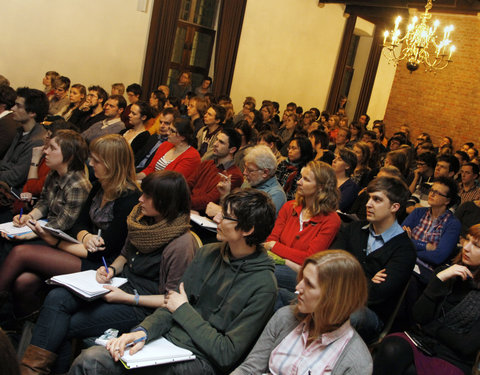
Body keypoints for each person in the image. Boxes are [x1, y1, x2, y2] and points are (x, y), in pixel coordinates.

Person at [69, 189, 277, 375]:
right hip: (168, 341)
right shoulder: (208, 253)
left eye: (226, 216)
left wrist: (183, 310)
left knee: (96, 363)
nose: (218, 219)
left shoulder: (263, 285)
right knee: (91, 359)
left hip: (201, 361)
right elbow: (171, 305)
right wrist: (143, 332)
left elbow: (225, 353)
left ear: (247, 229)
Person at [20, 170, 196, 375]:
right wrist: (111, 269)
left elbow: (172, 300)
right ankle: (32, 369)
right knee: (57, 296)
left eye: (147, 196)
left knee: (64, 325)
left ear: (166, 202)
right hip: (120, 285)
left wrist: (129, 298)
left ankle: (34, 370)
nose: (140, 199)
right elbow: (123, 256)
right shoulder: (142, 221)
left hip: (143, 305)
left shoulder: (181, 243)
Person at [0, 135, 140, 318]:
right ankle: (21, 329)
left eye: (96, 161)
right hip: (80, 247)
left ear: (111, 164)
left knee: (20, 253)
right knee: (24, 282)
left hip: (102, 266)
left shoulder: (129, 199)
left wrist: (54, 242)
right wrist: (86, 237)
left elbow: (102, 251)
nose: (90, 163)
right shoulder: (99, 186)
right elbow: (78, 224)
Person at [232, 250, 372, 375]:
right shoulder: (284, 317)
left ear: (335, 297)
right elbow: (249, 369)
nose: (298, 287)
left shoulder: (357, 362)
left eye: (309, 284)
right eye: (302, 279)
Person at [373, 224, 480, 375]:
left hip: (452, 358)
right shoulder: (447, 273)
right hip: (421, 341)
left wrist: (432, 327)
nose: (466, 248)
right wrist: (438, 280)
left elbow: (467, 346)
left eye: (476, 245)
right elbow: (419, 316)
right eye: (467, 240)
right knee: (391, 348)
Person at [333, 176, 416, 344]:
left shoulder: (404, 250)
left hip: (370, 314)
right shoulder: (354, 228)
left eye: (377, 199)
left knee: (346, 314)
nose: (368, 204)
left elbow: (377, 295)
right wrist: (368, 280)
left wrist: (346, 273)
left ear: (394, 207)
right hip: (335, 294)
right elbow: (330, 265)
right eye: (369, 197)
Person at [264, 160, 341, 300]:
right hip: (279, 264)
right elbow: (270, 240)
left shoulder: (331, 220)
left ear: (321, 187)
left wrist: (279, 253)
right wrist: (281, 253)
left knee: (264, 271)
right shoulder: (289, 207)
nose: (299, 182)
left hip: (301, 275)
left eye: (305, 179)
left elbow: (309, 258)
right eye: (300, 177)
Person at [3, 129, 91, 240]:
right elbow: (44, 202)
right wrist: (29, 217)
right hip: (47, 226)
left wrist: (30, 234)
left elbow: (63, 224)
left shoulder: (78, 186)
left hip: (63, 235)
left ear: (69, 156)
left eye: (53, 148)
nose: (46, 151)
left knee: (15, 246)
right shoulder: (54, 172)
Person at [402, 177, 461, 282]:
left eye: (437, 193)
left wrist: (409, 247)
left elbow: (438, 256)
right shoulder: (418, 212)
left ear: (447, 200)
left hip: (426, 272)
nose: (432, 194)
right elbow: (398, 239)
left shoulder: (453, 224)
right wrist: (425, 246)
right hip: (403, 261)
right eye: (432, 190)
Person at [0, 87, 48, 190]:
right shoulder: (21, 131)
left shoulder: (37, 141)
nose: (13, 108)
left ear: (32, 113)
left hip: (13, 192)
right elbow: (5, 163)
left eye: (18, 106)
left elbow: (15, 177)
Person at [276, 136, 314, 201]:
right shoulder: (283, 164)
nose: (290, 151)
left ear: (303, 150)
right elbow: (276, 183)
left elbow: (299, 194)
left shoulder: (307, 169)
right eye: (289, 148)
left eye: (294, 148)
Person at [122, 101, 152, 165]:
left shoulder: (144, 137)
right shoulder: (125, 131)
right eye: (130, 112)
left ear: (143, 117)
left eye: (133, 114)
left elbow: (134, 159)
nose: (129, 115)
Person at [332, 148, 359, 212]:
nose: (334, 161)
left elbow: (336, 206)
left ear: (347, 166)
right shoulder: (326, 179)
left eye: (339, 159)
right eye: (335, 157)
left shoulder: (351, 187)